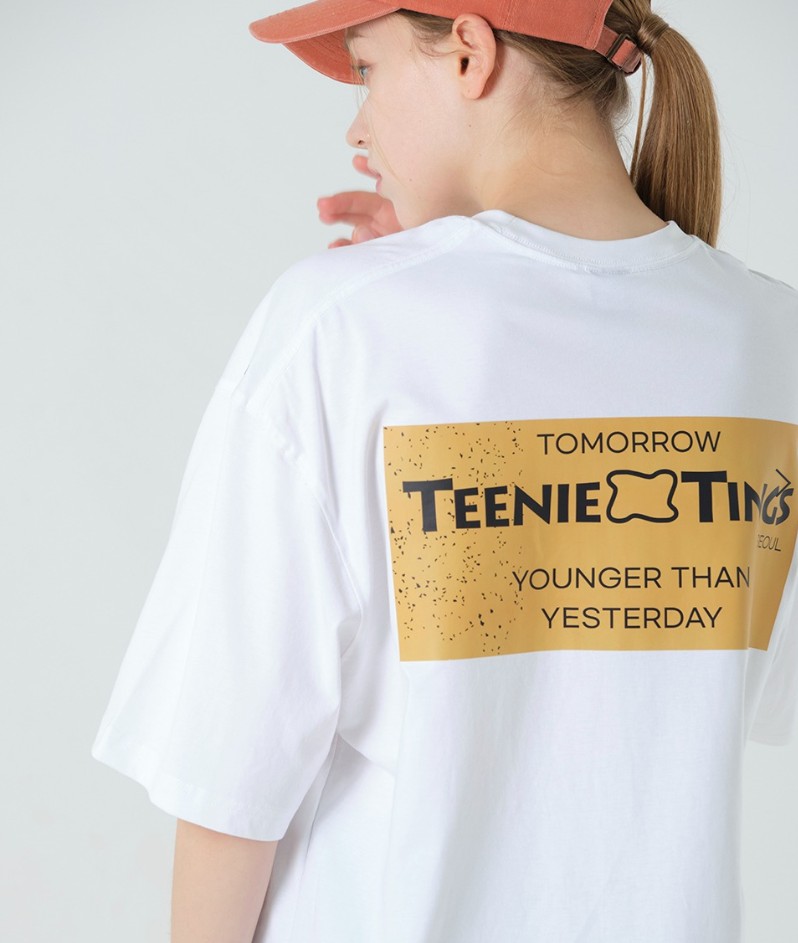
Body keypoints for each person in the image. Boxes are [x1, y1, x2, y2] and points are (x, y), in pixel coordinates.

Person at [91, 1, 798, 941]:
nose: (357, 126)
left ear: (470, 52)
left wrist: (406, 293)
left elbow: (229, 781)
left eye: (367, 69)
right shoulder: (770, 339)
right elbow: (737, 691)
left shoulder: (340, 327)